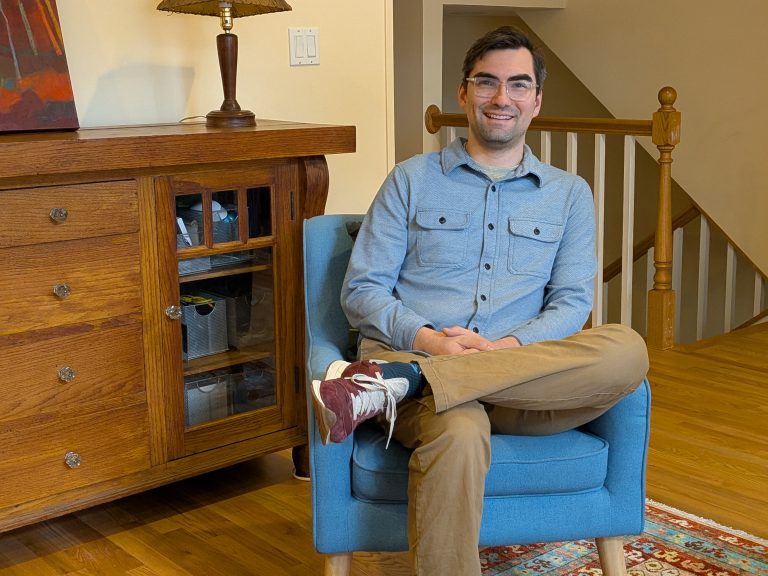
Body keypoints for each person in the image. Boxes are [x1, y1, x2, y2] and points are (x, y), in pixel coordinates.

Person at [311, 26, 649, 576]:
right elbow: (362, 290)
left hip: (529, 389)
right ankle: (416, 377)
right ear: (463, 94)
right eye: (486, 82)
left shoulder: (569, 194)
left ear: (536, 101)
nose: (501, 98)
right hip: (424, 360)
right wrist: (430, 343)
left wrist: (505, 351)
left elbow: (570, 305)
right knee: (461, 434)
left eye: (518, 85)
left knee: (627, 350)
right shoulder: (410, 180)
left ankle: (391, 383)